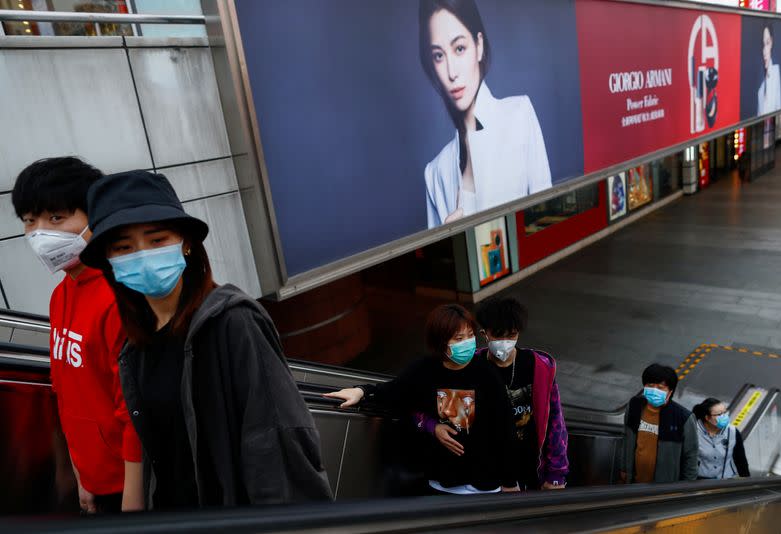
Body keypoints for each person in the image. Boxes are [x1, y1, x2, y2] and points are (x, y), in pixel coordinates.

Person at [78, 170, 332, 509]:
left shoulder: (233, 322)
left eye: (157, 240)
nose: (142, 255)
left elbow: (277, 438)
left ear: (185, 243)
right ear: (110, 263)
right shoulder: (135, 347)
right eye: (123, 248)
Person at [11, 157, 143, 514]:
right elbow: (67, 392)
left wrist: (133, 503)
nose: (40, 233)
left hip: (129, 485)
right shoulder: (61, 295)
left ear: (94, 218)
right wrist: (80, 474)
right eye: (29, 221)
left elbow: (133, 412)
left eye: (56, 218)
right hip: (93, 479)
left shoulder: (121, 298)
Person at [324, 304, 519, 495]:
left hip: (482, 484)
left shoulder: (486, 374)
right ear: (441, 342)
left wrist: (510, 481)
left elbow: (505, 428)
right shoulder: (424, 370)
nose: (468, 342)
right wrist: (361, 391)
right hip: (441, 482)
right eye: (459, 338)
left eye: (470, 336)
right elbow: (393, 393)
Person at [420, 0, 551, 228]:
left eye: (459, 48)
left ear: (478, 46)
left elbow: (547, 224)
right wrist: (448, 243)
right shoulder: (435, 173)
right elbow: (438, 262)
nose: (452, 72)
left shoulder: (519, 116)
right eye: (439, 56)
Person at [475, 297, 569, 491]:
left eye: (511, 335)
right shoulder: (473, 366)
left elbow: (555, 421)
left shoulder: (540, 366)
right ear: (484, 333)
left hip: (532, 470)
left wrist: (556, 474)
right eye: (498, 335)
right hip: (490, 478)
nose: (504, 342)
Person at [619, 364, 698, 484]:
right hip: (633, 481)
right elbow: (626, 438)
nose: (655, 390)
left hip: (664, 487)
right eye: (650, 386)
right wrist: (624, 468)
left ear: (670, 392)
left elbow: (691, 455)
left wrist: (687, 486)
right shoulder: (634, 406)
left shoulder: (684, 417)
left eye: (661, 387)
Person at [692, 398, 749, 480]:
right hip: (700, 481)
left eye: (725, 412)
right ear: (707, 418)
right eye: (719, 414)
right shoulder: (693, 431)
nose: (724, 416)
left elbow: (741, 460)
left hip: (725, 481)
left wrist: (746, 482)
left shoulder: (732, 431)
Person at [757, 23, 781, 116]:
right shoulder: (759, 86)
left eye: (767, 43)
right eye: (763, 44)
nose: (765, 51)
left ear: (771, 43)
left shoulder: (776, 71)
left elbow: (779, 107)